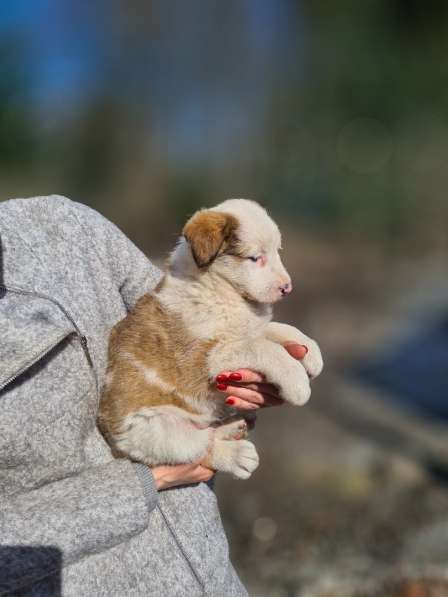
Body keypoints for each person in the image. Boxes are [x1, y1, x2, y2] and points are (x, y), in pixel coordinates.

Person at [0, 195, 309, 596]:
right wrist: (147, 481)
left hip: (203, 567)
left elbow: (187, 312)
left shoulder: (60, 225)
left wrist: (237, 381)